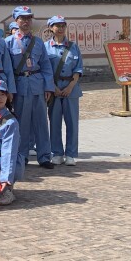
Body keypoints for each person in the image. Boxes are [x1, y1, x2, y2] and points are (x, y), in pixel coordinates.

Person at [5, 6, 55, 169]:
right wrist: (10, 90)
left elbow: (46, 66)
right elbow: (8, 70)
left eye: (28, 18)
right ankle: (22, 155)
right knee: (22, 123)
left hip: (37, 85)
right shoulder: (8, 42)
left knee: (41, 122)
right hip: (20, 86)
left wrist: (48, 87)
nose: (25, 21)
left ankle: (44, 156)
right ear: (16, 20)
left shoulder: (39, 42)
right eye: (22, 18)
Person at [44, 16, 83, 166]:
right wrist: (53, 88)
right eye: (57, 25)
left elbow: (78, 69)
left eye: (63, 25)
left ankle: (71, 154)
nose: (60, 28)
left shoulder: (73, 47)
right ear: (50, 28)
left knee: (72, 123)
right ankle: (57, 153)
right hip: (53, 90)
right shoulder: (46, 47)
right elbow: (44, 69)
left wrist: (69, 87)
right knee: (54, 123)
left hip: (71, 89)